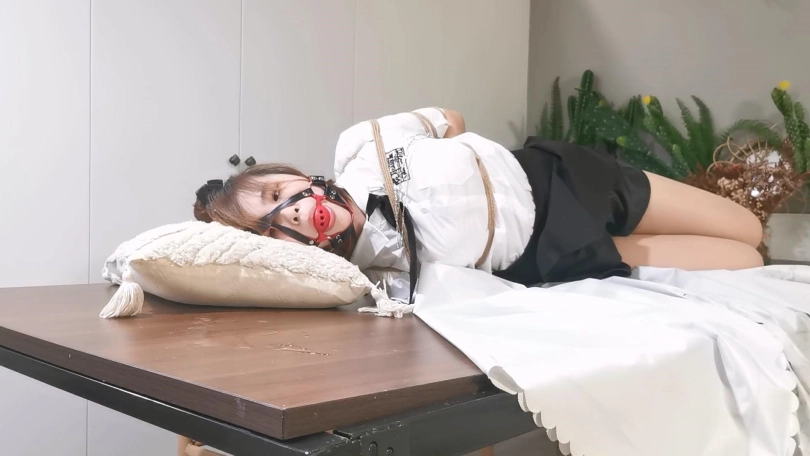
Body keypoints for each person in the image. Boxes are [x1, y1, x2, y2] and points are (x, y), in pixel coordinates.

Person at [193, 107, 764, 303]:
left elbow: (448, 118)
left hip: (556, 173)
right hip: (553, 248)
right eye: (273, 227)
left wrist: (461, 162)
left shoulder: (361, 147)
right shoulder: (378, 279)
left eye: (276, 196)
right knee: (750, 260)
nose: (291, 214)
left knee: (747, 226)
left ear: (292, 176)